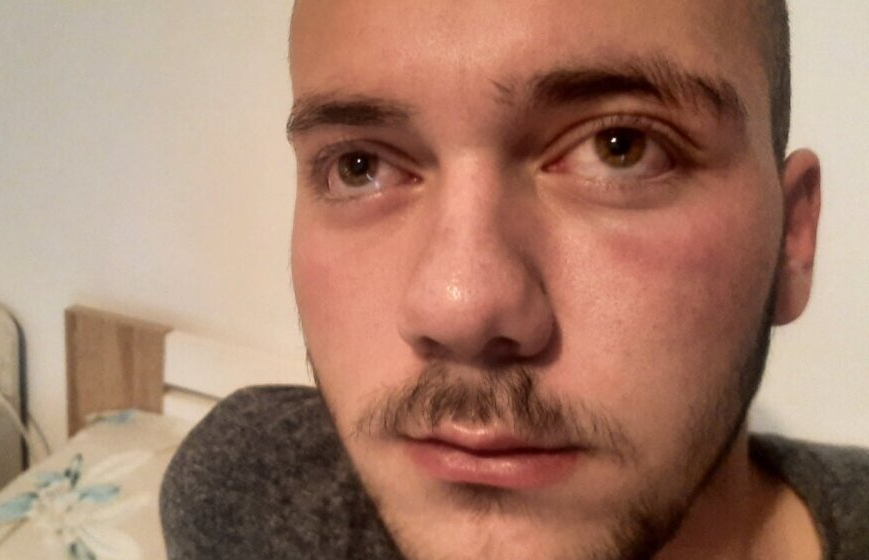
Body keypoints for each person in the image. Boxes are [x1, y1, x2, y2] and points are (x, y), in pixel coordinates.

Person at [161, 1, 869, 558]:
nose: (460, 309)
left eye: (620, 148)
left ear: (792, 239)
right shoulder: (245, 495)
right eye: (359, 166)